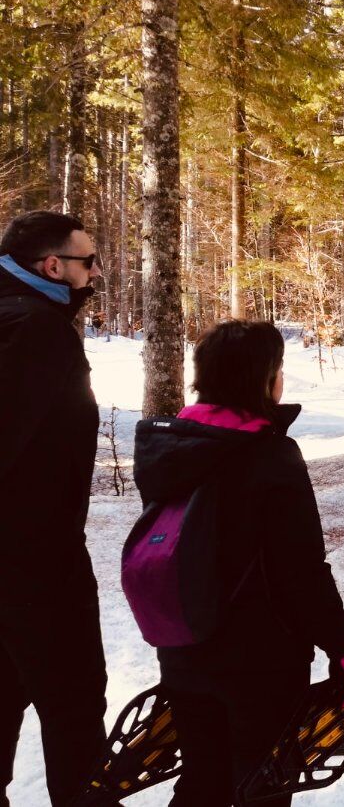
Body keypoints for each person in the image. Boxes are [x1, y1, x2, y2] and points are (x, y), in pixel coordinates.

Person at [132, 320, 344, 806]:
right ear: (261, 380)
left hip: (182, 647)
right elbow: (303, 570)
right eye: (278, 370)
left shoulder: (172, 444)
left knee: (200, 781)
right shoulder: (271, 456)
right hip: (262, 662)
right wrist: (342, 648)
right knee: (263, 786)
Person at [0, 211, 106, 805]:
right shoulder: (38, 333)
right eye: (87, 262)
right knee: (74, 702)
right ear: (52, 267)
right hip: (36, 559)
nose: (94, 274)